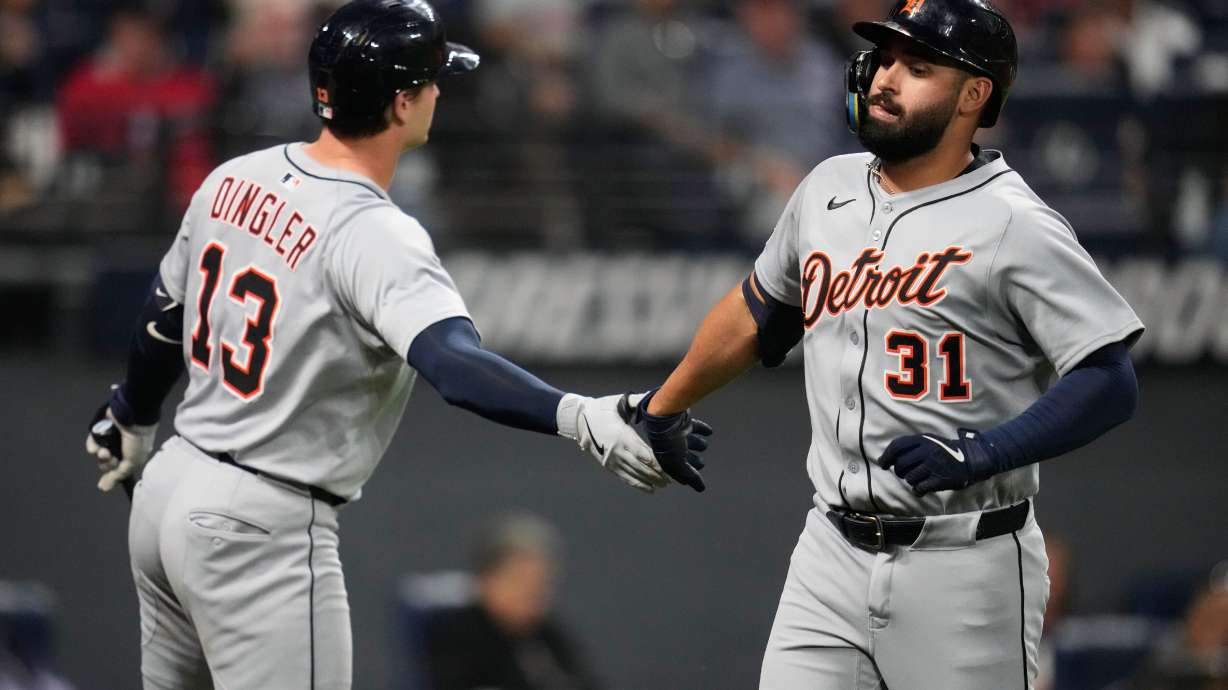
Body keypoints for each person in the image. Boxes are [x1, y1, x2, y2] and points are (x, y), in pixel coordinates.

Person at [82, 2, 709, 688]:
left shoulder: (237, 177)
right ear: (403, 104)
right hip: (259, 524)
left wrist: (131, 413)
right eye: (433, 81)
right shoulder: (374, 231)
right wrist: (582, 416)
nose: (441, 92)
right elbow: (454, 365)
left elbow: (165, 313)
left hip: (170, 488)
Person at [621, 1, 1143, 687]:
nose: (886, 79)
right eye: (887, 59)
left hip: (966, 564)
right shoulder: (826, 189)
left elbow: (1109, 379)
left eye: (918, 67)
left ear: (973, 95)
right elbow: (757, 310)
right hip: (828, 552)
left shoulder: (1015, 223)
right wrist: (662, 405)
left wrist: (984, 452)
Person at [421, 513, 600, 690]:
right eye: (520, 581)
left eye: (542, 584)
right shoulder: (457, 635)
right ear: (486, 579)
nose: (532, 593)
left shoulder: (547, 635)